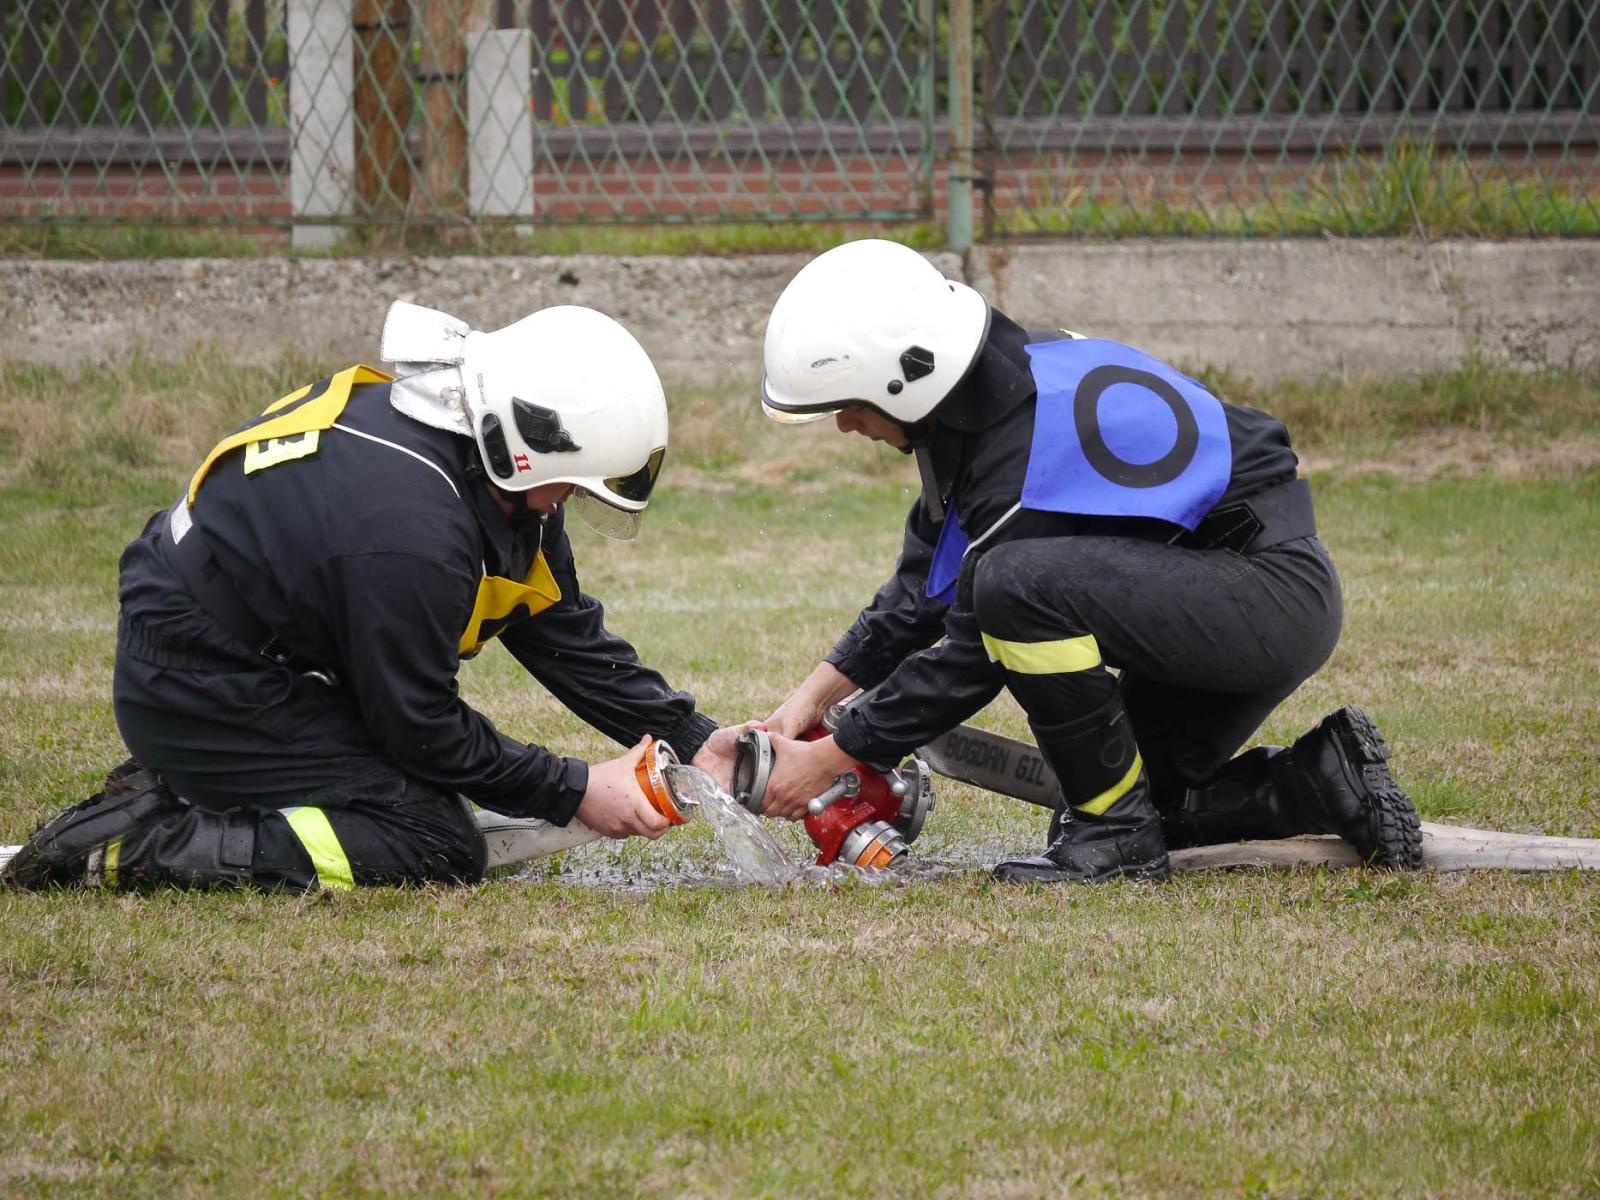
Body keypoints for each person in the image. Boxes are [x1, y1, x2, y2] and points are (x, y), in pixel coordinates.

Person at [5, 301, 740, 892]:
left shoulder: (484, 465)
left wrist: (702, 741)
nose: (567, 506)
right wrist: (573, 787)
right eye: (571, 485)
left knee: (421, 805)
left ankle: (212, 785)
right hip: (198, 680)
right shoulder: (408, 531)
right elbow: (419, 725)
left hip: (246, 656)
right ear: (526, 445)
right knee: (432, 839)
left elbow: (558, 631)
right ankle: (141, 842)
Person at [751, 239, 1422, 883]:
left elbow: (972, 647)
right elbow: (921, 591)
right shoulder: (987, 396)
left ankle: (1120, 845)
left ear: (906, 380)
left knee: (1012, 589)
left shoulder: (1017, 455)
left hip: (1264, 593)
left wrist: (839, 754)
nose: (843, 424)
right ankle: (1321, 778)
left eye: (848, 404)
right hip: (1235, 581)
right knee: (1122, 805)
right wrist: (802, 709)